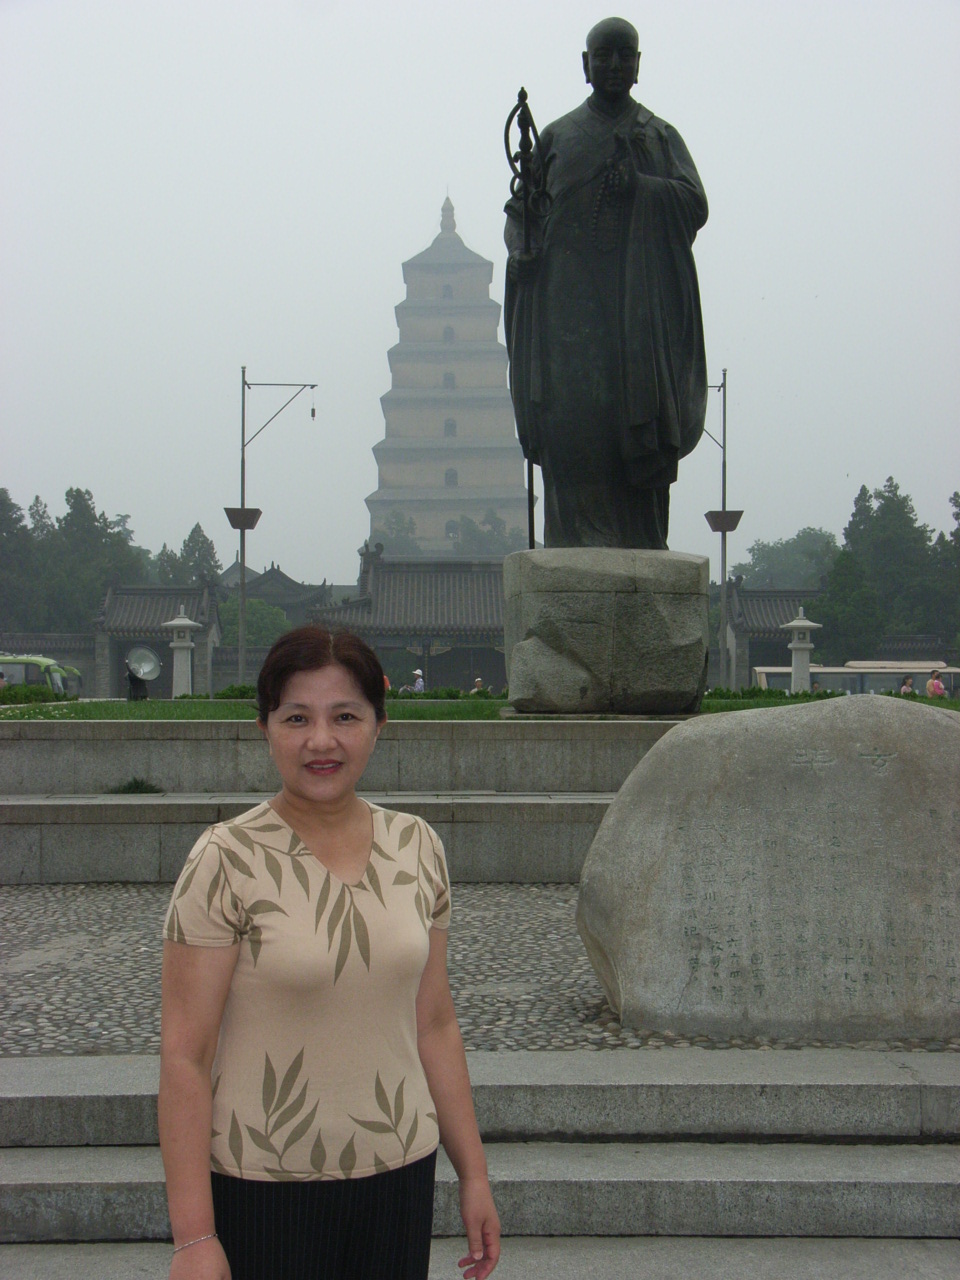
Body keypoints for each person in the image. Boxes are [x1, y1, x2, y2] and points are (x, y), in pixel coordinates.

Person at [159, 626, 499, 1280]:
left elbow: (434, 1023)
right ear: (265, 727)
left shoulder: (417, 846)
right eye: (297, 718)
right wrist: (194, 1236)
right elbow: (185, 1055)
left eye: (345, 716)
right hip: (264, 1184)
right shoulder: (224, 859)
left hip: (399, 1172)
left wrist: (474, 1175)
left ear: (379, 724)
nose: (322, 740)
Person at [504, 16, 708, 550]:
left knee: (637, 426)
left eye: (625, 55)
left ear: (638, 65)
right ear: (585, 64)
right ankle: (574, 545)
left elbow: (694, 204)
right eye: (603, 55)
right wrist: (520, 253)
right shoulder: (557, 137)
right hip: (567, 315)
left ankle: (642, 546)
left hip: (637, 314)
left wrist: (642, 187)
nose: (614, 65)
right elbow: (522, 214)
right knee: (574, 429)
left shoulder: (657, 136)